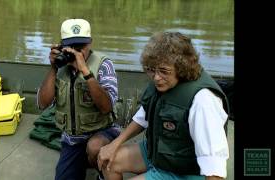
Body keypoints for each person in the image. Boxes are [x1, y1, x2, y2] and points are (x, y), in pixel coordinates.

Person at [97, 32, 230, 180]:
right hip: (159, 152)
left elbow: (214, 167)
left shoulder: (203, 101)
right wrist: (114, 144)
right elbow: (142, 117)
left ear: (181, 68)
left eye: (164, 71)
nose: (156, 77)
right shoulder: (161, 83)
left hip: (185, 171)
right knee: (107, 161)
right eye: (151, 70)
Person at [37, 18, 120, 180]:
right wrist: (53, 68)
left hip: (103, 131)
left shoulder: (103, 64)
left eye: (81, 47)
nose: (76, 52)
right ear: (62, 46)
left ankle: (100, 171)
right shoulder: (61, 68)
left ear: (90, 43)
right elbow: (42, 103)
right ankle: (81, 161)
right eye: (71, 47)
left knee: (95, 147)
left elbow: (106, 107)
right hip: (72, 140)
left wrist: (86, 72)